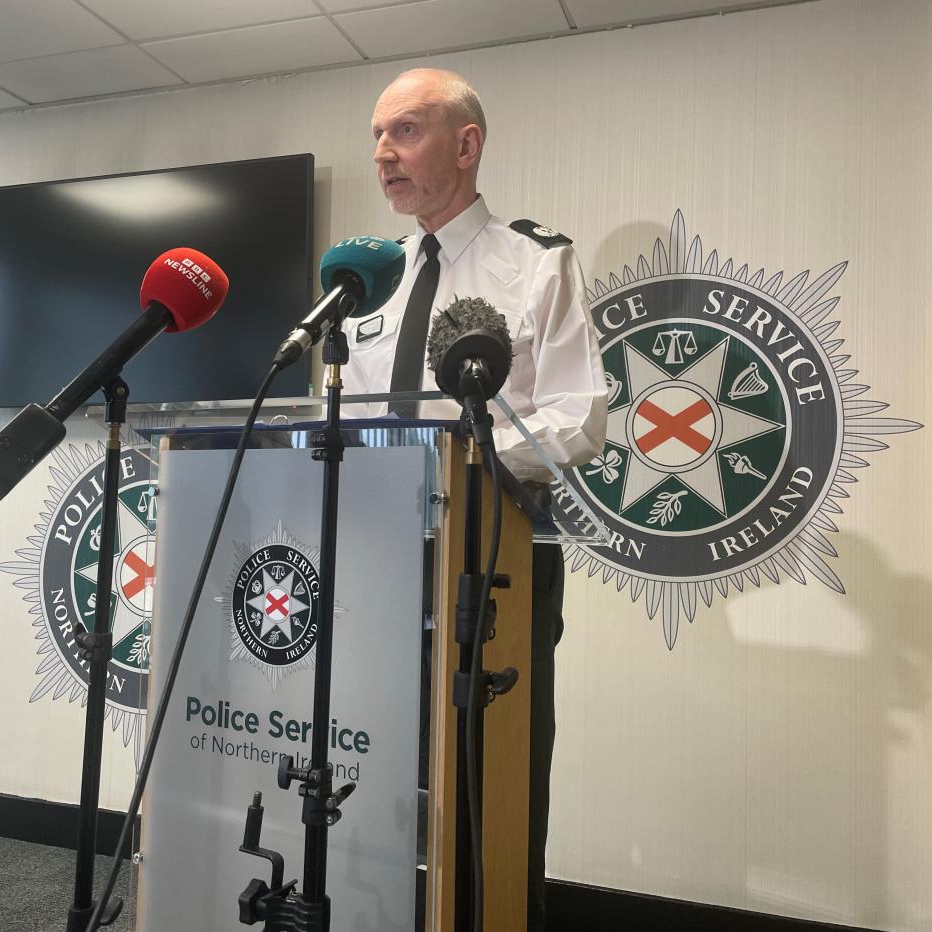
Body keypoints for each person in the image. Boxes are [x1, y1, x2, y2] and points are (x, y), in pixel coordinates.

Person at [337, 67, 606, 931]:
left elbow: (581, 416)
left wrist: (476, 450)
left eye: (406, 131)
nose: (384, 153)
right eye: (378, 135)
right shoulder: (365, 287)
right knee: (377, 774)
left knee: (491, 783)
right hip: (375, 566)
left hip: (492, 565)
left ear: (466, 143)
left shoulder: (535, 263)